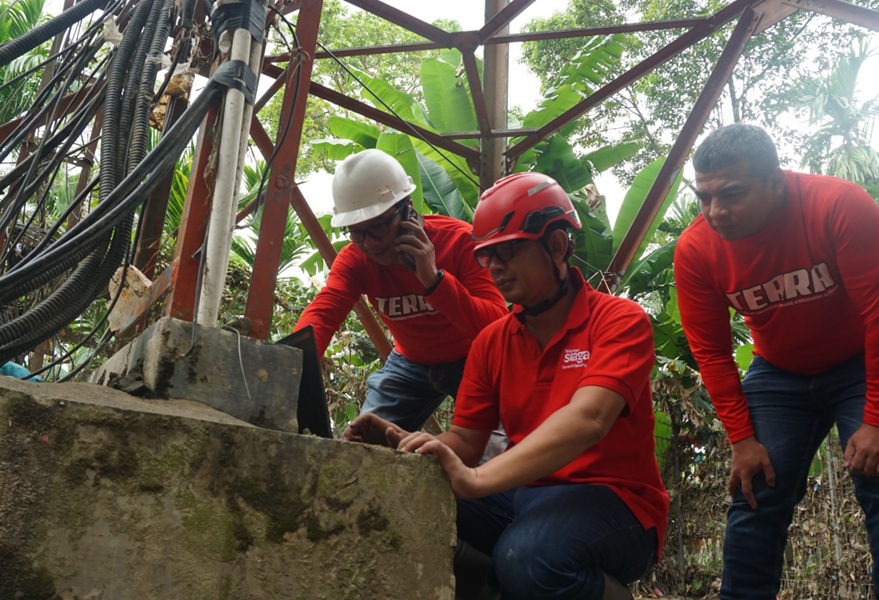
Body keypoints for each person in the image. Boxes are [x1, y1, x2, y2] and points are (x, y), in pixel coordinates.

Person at [344, 172, 669, 600]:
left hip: (617, 503)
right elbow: (466, 439)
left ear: (555, 245)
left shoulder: (618, 321)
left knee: (528, 558)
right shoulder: (492, 341)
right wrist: (409, 445)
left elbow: (588, 419)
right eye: (487, 256)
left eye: (508, 252)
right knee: (399, 494)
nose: (495, 267)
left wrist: (476, 481)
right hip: (529, 496)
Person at [673, 123, 879, 599]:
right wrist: (742, 440)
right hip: (779, 372)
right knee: (754, 493)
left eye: (731, 194)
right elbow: (712, 352)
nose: (715, 212)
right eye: (703, 197)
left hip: (859, 362)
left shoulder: (837, 206)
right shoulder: (696, 249)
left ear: (775, 181)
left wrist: (875, 418)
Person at [294, 149, 508, 435]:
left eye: (378, 228)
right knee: (363, 443)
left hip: (473, 359)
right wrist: (292, 367)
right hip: (409, 364)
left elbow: (496, 324)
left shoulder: (460, 241)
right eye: (356, 232)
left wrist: (434, 281)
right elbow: (323, 314)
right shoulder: (356, 259)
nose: (368, 244)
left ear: (407, 210)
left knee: (500, 448)